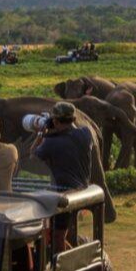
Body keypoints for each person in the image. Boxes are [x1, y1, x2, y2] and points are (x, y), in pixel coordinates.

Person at [32, 102, 94, 251]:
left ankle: (59, 267)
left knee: (57, 236)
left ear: (55, 121)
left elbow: (32, 156)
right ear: (73, 119)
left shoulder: (51, 143)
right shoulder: (86, 133)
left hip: (63, 193)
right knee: (60, 233)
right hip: (83, 189)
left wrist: (41, 133)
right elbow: (71, 136)